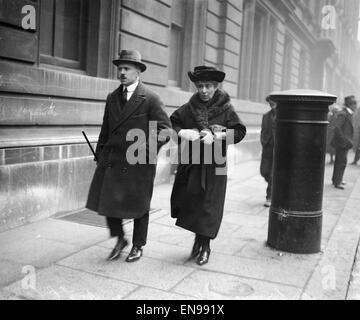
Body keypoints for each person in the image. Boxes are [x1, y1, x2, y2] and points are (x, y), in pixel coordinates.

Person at [86, 50, 171, 262]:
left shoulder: (151, 98)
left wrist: (146, 150)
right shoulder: (112, 97)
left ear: (138, 72)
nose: (122, 73)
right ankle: (120, 239)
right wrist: (100, 153)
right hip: (113, 161)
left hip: (139, 162)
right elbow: (106, 129)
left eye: (127, 69)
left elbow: (165, 130)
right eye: (120, 69)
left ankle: (138, 245)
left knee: (140, 205)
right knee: (107, 202)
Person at [170, 66, 247, 266]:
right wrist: (184, 133)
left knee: (209, 207)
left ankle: (205, 247)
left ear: (215, 87)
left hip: (215, 164)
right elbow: (173, 122)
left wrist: (219, 136)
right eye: (200, 86)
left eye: (208, 86)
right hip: (192, 163)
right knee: (194, 204)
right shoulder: (189, 107)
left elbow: (239, 132)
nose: (204, 90)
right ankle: (198, 239)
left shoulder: (226, 108)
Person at [331, 95, 357, 189]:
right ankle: (337, 182)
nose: (356, 106)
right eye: (354, 104)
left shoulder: (347, 113)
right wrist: (344, 140)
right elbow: (337, 128)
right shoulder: (344, 114)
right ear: (350, 104)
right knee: (341, 162)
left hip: (344, 143)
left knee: (341, 161)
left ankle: (337, 179)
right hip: (342, 143)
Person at [260, 96, 276, 208]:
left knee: (272, 173)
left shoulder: (283, 116)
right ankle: (274, 186)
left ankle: (269, 196)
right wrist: (264, 142)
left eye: (273, 102)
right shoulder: (266, 116)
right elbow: (263, 131)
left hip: (278, 149)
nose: (271, 104)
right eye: (270, 102)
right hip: (267, 148)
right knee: (264, 171)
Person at [351, 101, 360, 165]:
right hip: (358, 131)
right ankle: (355, 160)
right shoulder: (357, 112)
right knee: (358, 147)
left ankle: (355, 160)